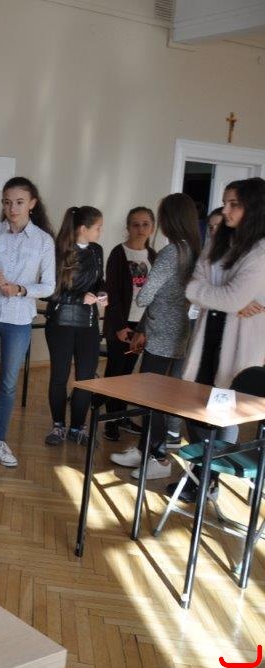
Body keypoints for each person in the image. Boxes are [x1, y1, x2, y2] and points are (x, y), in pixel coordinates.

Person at [169, 177, 265, 502]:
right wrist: (228, 299)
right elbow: (192, 286)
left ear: (253, 207)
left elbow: (228, 296)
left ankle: (207, 480)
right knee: (194, 408)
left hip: (238, 344)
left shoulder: (261, 250)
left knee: (223, 412)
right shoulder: (218, 241)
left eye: (233, 204)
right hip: (207, 337)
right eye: (225, 203)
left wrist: (219, 297)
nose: (225, 210)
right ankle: (202, 475)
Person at [109, 194, 201, 480]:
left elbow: (144, 296)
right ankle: (145, 449)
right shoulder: (193, 250)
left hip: (163, 335)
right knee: (157, 395)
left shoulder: (172, 252)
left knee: (151, 398)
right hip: (176, 333)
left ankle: (158, 459)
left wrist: (152, 297)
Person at [0, 177, 56, 472]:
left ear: (32, 204)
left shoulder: (43, 241)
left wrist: (20, 289)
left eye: (19, 202)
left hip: (19, 318)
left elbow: (49, 286)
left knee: (8, 383)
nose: (12, 208)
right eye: (7, 202)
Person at [43, 206, 107, 446]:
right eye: (98, 227)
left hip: (88, 323)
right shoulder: (57, 251)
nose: (100, 232)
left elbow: (100, 280)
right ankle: (58, 426)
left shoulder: (97, 250)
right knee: (59, 377)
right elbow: (47, 291)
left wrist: (102, 292)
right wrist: (79, 298)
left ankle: (77, 427)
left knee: (86, 378)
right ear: (83, 229)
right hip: (61, 323)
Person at [100, 207, 157, 441]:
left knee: (128, 374)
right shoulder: (118, 253)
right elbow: (111, 293)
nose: (140, 229)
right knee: (115, 372)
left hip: (142, 324)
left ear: (152, 227)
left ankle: (122, 417)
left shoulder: (153, 255)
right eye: (135, 224)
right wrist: (119, 326)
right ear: (128, 227)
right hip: (122, 324)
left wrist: (145, 327)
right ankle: (110, 421)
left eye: (145, 224)